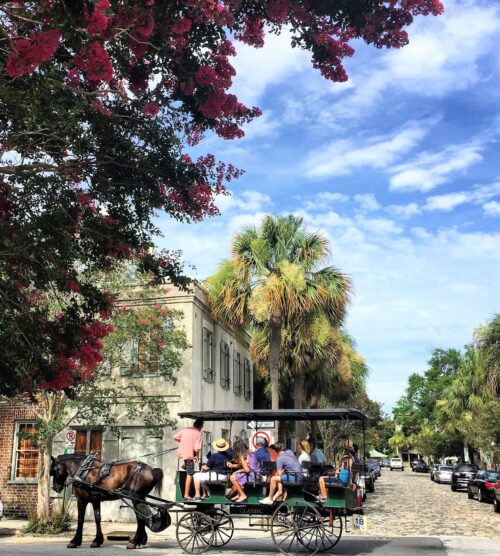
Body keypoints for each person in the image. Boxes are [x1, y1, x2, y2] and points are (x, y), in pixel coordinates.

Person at [173, 418, 203, 500]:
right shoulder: (198, 433)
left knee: (188, 469)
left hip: (182, 453)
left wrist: (183, 441)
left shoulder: (186, 429)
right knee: (190, 474)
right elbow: (197, 448)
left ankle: (185, 466)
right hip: (189, 455)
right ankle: (186, 495)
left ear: (194, 424)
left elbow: (175, 437)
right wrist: (197, 456)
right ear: (201, 427)